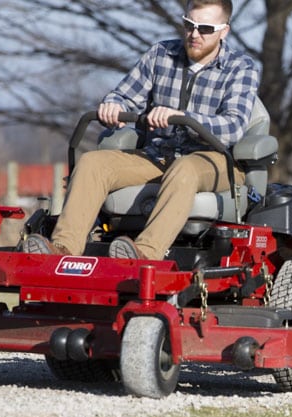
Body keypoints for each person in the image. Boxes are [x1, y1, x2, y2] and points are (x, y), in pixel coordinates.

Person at [26, 0, 260, 260]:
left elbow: (234, 126)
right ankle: (64, 249)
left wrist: (183, 117)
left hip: (214, 161)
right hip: (157, 156)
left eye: (205, 28)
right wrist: (113, 105)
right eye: (189, 25)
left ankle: (145, 254)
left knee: (184, 169)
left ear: (223, 31)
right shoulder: (161, 54)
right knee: (93, 162)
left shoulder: (242, 67)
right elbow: (125, 95)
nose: (194, 34)